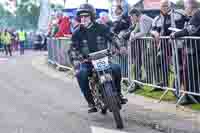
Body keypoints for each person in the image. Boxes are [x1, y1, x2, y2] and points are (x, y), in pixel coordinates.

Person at [69, 3, 127, 113]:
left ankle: (118, 93)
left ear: (92, 16)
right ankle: (90, 102)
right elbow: (72, 49)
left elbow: (113, 37)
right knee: (81, 74)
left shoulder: (101, 27)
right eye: (81, 16)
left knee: (116, 68)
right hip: (87, 62)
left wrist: (121, 47)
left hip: (103, 59)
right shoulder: (76, 32)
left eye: (86, 16)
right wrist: (77, 60)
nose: (84, 18)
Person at [150, 0, 186, 88]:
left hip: (178, 44)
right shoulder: (157, 18)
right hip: (164, 45)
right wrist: (154, 33)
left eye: (166, 5)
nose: (164, 7)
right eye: (162, 6)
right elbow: (152, 29)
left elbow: (188, 23)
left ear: (170, 6)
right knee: (160, 60)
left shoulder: (179, 14)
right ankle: (164, 83)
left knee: (180, 65)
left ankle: (177, 86)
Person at [170, 0, 200, 103]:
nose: (184, 9)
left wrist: (175, 35)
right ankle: (193, 96)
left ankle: (193, 97)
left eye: (185, 7)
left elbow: (190, 29)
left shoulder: (197, 14)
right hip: (194, 49)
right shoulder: (195, 15)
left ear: (191, 7)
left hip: (196, 50)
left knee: (192, 74)